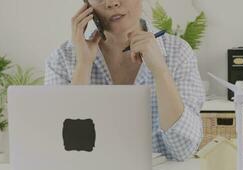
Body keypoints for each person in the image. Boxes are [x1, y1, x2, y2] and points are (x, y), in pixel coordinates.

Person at [45, 0, 205, 161]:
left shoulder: (178, 52)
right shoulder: (62, 58)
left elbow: (184, 149)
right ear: (87, 6)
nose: (112, 3)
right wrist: (83, 65)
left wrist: (160, 71)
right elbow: (63, 148)